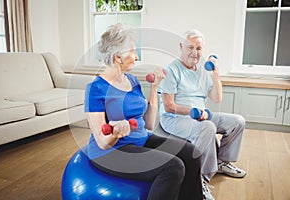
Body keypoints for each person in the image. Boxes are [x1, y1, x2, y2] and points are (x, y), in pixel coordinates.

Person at [84, 23, 204, 200]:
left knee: (191, 153)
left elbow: (149, 123)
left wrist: (155, 87)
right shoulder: (96, 88)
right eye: (133, 51)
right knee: (173, 167)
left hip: (140, 139)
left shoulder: (132, 80)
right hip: (111, 151)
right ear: (118, 56)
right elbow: (102, 142)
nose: (136, 56)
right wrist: (117, 132)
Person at [158, 29, 246, 200]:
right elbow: (169, 106)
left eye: (198, 48)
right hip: (175, 118)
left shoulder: (202, 71)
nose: (194, 52)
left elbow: (217, 98)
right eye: (190, 47)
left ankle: (222, 162)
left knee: (237, 122)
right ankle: (200, 180)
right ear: (181, 47)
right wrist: (193, 112)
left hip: (201, 115)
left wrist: (215, 74)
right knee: (207, 127)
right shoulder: (171, 70)